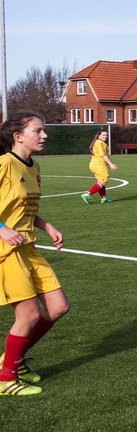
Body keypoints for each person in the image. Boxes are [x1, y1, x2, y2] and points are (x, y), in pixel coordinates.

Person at [0, 112, 70, 396]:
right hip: (6, 250)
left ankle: (13, 361)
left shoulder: (34, 165)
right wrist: (1, 228)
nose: (44, 135)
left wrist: (45, 224)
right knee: (28, 315)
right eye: (38, 131)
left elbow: (24, 207)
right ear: (18, 136)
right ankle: (6, 379)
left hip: (28, 246)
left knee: (57, 308)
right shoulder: (4, 163)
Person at [82, 128, 119, 204]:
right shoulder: (99, 143)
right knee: (103, 181)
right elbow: (103, 155)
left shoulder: (98, 142)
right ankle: (87, 194)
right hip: (98, 164)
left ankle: (104, 198)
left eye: (106, 135)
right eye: (103, 135)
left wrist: (108, 163)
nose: (105, 136)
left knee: (100, 182)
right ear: (98, 136)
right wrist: (110, 164)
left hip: (94, 164)